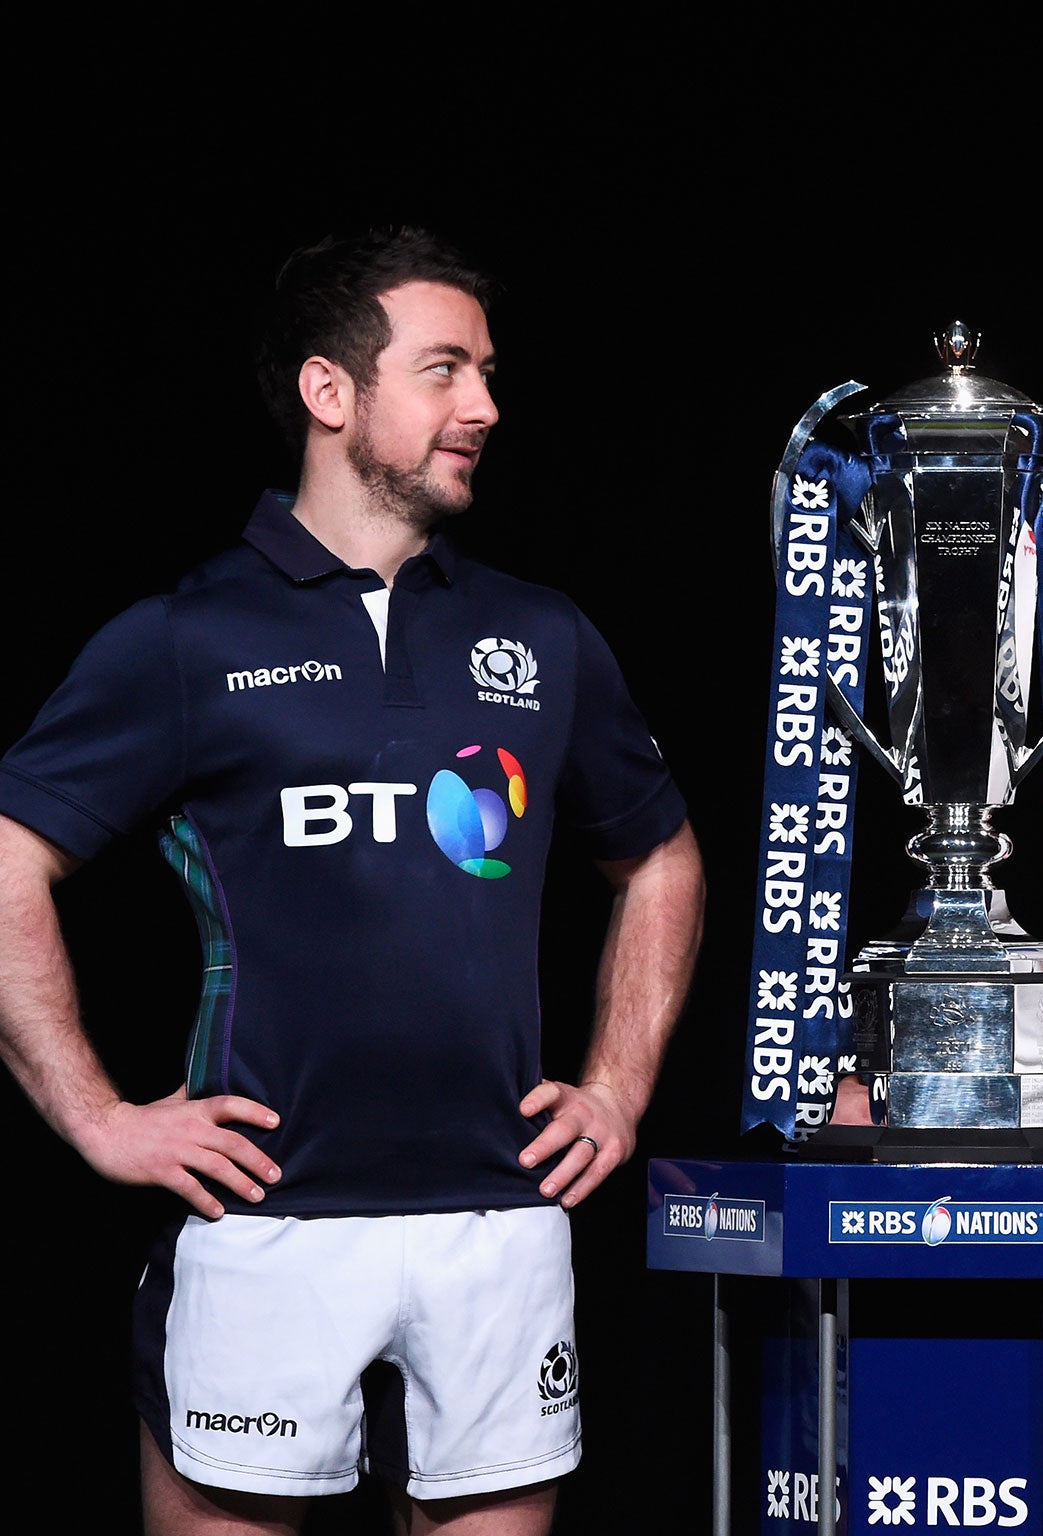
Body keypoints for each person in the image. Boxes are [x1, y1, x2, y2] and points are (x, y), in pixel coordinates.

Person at [0, 226, 705, 1535]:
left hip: (500, 1220)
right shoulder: (186, 636)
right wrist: (98, 1116)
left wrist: (616, 1084)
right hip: (265, 1222)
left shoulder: (542, 633)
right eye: (444, 370)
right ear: (332, 392)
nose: (485, 405)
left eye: (488, 373)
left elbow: (658, 853)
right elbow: (7, 863)